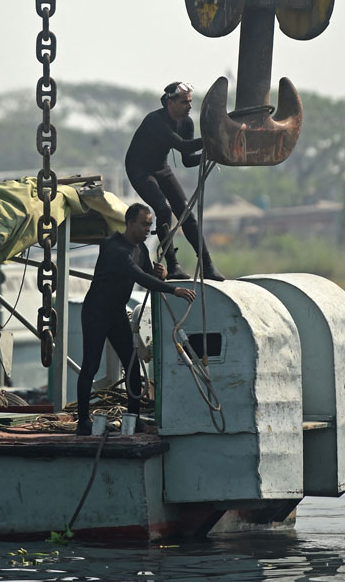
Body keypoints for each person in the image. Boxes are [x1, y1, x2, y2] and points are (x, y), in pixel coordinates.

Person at [76, 202, 196, 436]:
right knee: (90, 365)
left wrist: (159, 273)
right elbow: (140, 277)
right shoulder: (114, 248)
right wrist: (173, 290)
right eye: (143, 224)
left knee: (131, 366)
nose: (147, 230)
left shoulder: (141, 248)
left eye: (149, 225)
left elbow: (148, 273)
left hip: (117, 312)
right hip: (96, 312)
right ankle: (83, 421)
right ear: (129, 223)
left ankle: (132, 418)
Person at [125, 81, 225, 282]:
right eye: (184, 102)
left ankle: (207, 264)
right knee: (163, 209)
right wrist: (215, 138)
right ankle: (173, 265)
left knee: (186, 212)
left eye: (190, 102)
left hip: (161, 168)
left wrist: (213, 155)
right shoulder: (155, 121)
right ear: (170, 103)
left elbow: (187, 160)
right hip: (139, 169)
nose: (189, 106)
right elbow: (184, 147)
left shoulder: (186, 123)